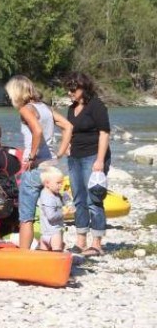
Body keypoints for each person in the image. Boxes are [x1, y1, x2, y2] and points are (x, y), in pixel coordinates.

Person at [4, 76, 72, 250]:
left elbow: (37, 130)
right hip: (50, 166)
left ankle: (24, 256)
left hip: (35, 168)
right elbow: (68, 126)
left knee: (26, 217)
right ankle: (54, 250)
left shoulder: (26, 109)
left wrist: (31, 156)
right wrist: (60, 153)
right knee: (51, 209)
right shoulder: (45, 108)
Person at [63, 71, 110, 256]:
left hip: (93, 156)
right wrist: (67, 146)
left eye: (73, 89)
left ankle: (97, 244)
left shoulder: (97, 106)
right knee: (78, 200)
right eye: (68, 90)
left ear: (83, 87)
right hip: (74, 158)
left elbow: (104, 133)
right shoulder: (71, 108)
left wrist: (100, 160)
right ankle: (80, 241)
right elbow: (70, 131)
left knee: (93, 200)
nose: (70, 93)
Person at [38, 166, 65, 251]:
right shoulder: (48, 198)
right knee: (57, 254)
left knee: (44, 256)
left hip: (44, 233)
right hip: (54, 233)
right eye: (58, 183)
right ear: (47, 183)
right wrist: (63, 213)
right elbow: (51, 216)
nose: (61, 185)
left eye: (61, 183)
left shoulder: (46, 193)